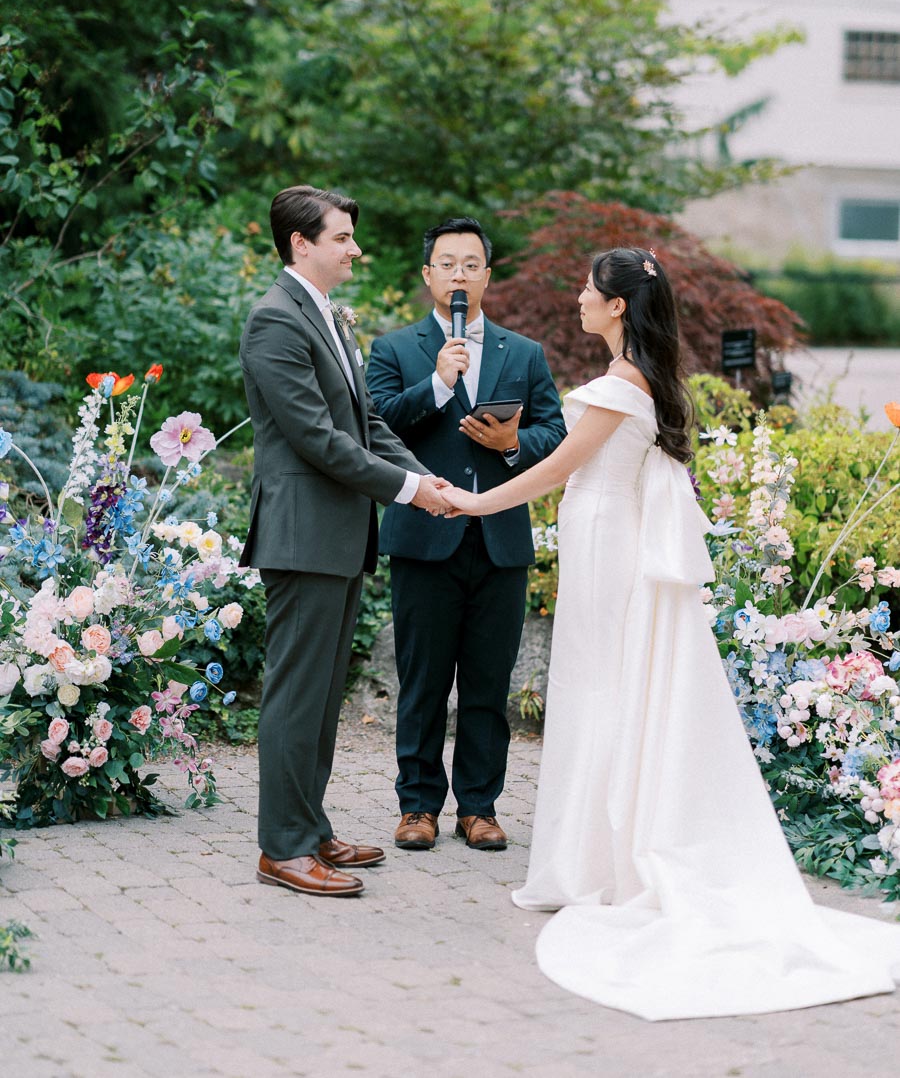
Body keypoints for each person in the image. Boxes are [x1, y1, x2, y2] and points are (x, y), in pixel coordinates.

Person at [440, 247, 900, 1019]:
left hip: (606, 540)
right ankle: (598, 849)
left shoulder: (621, 385)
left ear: (618, 306)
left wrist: (472, 501)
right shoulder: (640, 379)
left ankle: (605, 859)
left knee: (602, 686)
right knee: (603, 685)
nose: (580, 297)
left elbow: (558, 469)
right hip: (605, 534)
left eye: (589, 290)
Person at [239, 185, 451, 898]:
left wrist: (430, 480)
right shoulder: (275, 321)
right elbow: (318, 440)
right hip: (302, 532)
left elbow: (365, 426)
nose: (355, 250)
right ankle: (283, 848)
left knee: (324, 694)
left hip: (338, 532)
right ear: (301, 243)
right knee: (297, 695)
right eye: (342, 239)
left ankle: (311, 826)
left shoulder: (326, 316)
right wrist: (407, 491)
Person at [367, 217, 566, 853]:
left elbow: (556, 435)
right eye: (447, 263)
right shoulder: (394, 350)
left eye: (471, 263)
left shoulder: (524, 353)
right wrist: (438, 383)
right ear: (428, 275)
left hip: (501, 539)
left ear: (487, 273)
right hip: (424, 535)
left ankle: (479, 806)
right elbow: (376, 425)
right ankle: (418, 806)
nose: (459, 274)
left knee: (488, 682)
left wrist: (513, 444)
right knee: (422, 681)